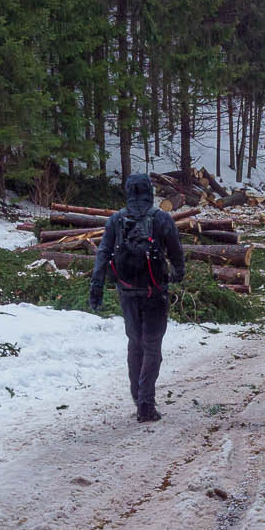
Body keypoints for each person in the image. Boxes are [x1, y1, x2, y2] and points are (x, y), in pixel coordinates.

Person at [89, 174, 186, 422]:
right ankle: (146, 403)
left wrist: (96, 286)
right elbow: (176, 251)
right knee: (152, 346)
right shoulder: (161, 218)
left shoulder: (116, 220)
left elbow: (103, 253)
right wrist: (177, 273)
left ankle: (137, 396)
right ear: (149, 192)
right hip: (155, 292)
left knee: (135, 343)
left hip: (127, 291)